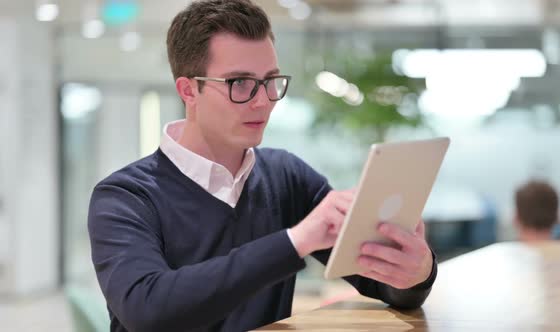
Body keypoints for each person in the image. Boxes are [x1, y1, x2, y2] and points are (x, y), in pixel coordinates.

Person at [87, 1, 437, 331]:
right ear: (188, 91)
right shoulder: (124, 197)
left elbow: (379, 283)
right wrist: (295, 241)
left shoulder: (287, 177)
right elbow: (148, 313)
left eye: (270, 81)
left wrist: (416, 272)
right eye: (240, 83)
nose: (263, 101)